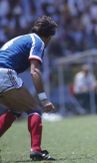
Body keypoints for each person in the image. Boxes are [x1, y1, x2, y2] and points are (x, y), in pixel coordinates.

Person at [0, 16, 57, 161]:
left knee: (16, 109)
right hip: (3, 73)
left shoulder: (25, 38)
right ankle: (36, 151)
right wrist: (44, 100)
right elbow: (35, 71)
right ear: (49, 36)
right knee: (34, 109)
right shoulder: (38, 42)